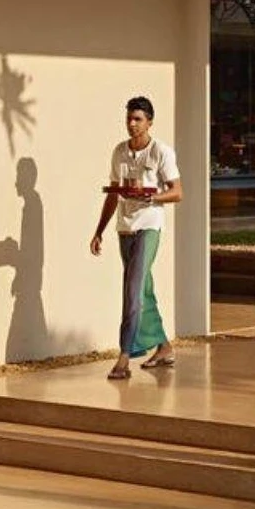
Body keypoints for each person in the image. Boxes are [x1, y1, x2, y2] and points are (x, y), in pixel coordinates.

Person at [90, 96, 185, 380]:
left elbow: (177, 192)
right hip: (125, 228)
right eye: (129, 119)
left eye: (138, 119)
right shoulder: (119, 152)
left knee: (131, 291)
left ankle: (123, 358)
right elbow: (114, 194)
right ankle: (164, 347)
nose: (132, 124)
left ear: (150, 122)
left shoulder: (161, 152)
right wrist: (99, 231)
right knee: (142, 289)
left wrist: (151, 196)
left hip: (149, 226)